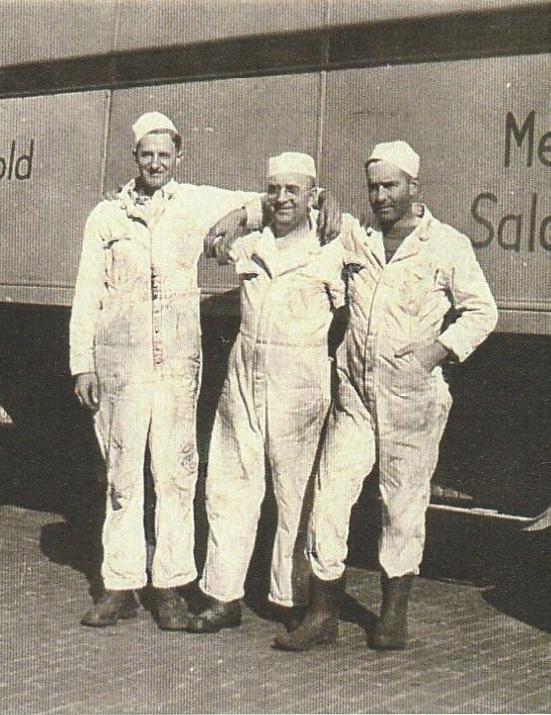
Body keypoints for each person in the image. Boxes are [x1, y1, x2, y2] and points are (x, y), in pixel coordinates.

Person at [275, 140, 498, 651]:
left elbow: (482, 310)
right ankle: (323, 614)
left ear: (413, 186)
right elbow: (312, 247)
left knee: (402, 506)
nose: (380, 196)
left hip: (412, 399)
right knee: (330, 500)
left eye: (390, 186)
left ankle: (393, 615)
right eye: (373, 187)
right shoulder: (358, 238)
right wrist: (320, 205)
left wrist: (435, 353)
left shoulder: (446, 244)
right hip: (355, 395)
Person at [70, 111, 269, 630]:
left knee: (176, 474)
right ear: (134, 157)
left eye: (164, 154)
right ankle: (119, 585)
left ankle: (170, 587)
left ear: (179, 156)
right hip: (120, 365)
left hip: (176, 365)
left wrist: (237, 220)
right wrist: (82, 364)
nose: (155, 163)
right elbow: (87, 292)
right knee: (121, 474)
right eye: (147, 154)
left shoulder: (194, 203)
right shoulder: (107, 216)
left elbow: (265, 203)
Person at [186, 152, 346, 634]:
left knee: (296, 491)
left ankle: (292, 598)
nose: (281, 198)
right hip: (245, 371)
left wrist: (332, 203)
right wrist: (243, 212)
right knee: (230, 483)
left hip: (300, 377)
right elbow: (201, 207)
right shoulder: (249, 245)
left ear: (313, 195)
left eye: (293, 190)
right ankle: (222, 596)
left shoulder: (333, 245)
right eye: (273, 189)